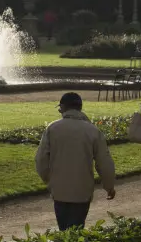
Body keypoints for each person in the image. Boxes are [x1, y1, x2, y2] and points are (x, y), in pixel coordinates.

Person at [35, 92, 116, 231]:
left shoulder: (53, 128)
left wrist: (48, 179)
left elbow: (41, 159)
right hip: (82, 190)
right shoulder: (92, 130)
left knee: (64, 230)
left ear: (63, 108)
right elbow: (104, 162)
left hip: (59, 189)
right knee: (76, 231)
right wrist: (109, 186)